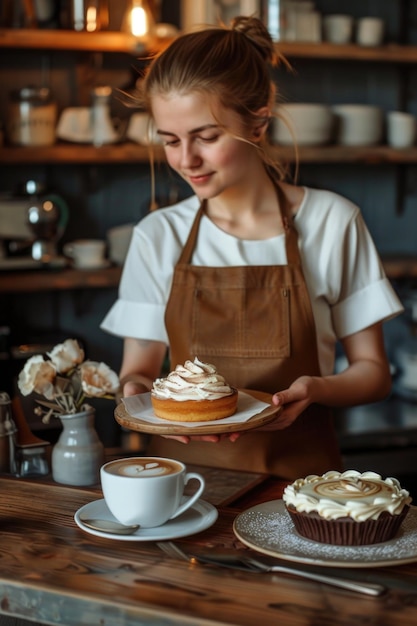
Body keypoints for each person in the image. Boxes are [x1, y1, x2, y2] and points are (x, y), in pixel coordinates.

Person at [101, 16, 403, 479]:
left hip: (303, 488)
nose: (186, 160)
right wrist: (137, 396)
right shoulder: (157, 235)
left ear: (258, 124)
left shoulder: (331, 222)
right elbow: (136, 373)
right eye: (170, 140)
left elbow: (373, 373)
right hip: (183, 487)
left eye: (206, 137)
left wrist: (316, 389)